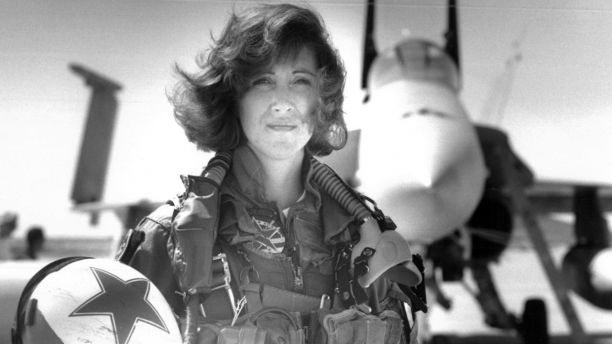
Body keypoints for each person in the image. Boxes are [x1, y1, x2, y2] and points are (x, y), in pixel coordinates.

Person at [117, 4, 426, 343]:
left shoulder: (366, 242)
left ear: (321, 100)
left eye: (300, 81)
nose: (283, 102)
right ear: (234, 97)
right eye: (263, 81)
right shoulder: (169, 240)